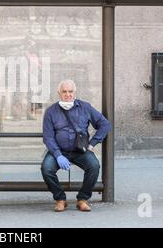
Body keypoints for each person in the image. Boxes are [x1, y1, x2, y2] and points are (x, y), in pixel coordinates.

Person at [41, 79, 111, 212]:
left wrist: (93, 143)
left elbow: (105, 124)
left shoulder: (85, 107)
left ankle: (83, 199)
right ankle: (60, 199)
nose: (67, 94)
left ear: (75, 92)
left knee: (94, 166)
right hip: (58, 151)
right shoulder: (51, 111)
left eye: (70, 91)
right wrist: (58, 155)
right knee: (46, 168)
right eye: (64, 91)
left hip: (80, 150)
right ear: (59, 93)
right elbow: (48, 137)